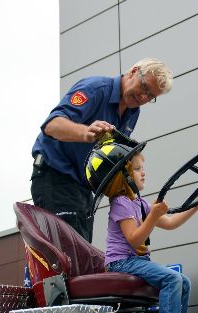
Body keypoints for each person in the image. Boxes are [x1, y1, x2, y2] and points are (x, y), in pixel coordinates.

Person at [30, 58, 173, 243]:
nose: (144, 97)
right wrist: (85, 132)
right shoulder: (95, 89)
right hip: (56, 178)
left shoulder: (132, 113)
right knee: (69, 256)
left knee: (82, 255)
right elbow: (51, 125)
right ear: (133, 71)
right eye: (144, 88)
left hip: (83, 190)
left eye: (151, 96)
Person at [84, 136, 198, 313]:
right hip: (122, 262)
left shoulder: (140, 204)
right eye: (137, 169)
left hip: (137, 260)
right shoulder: (120, 203)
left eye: (142, 168)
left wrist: (196, 205)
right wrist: (153, 216)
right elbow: (134, 239)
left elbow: (170, 223)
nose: (143, 172)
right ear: (122, 176)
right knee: (172, 280)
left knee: (184, 282)